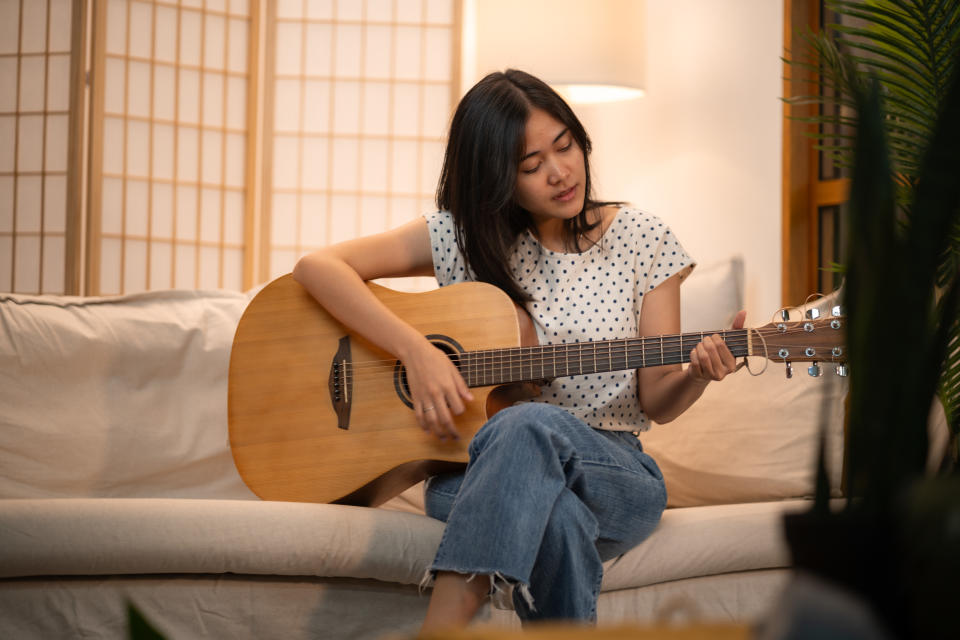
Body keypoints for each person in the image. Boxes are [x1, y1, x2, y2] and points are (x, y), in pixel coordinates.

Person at [292, 69, 744, 631]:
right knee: (556, 517)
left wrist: (698, 374)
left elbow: (657, 401)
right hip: (474, 472)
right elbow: (317, 268)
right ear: (496, 178)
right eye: (531, 166)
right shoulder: (460, 236)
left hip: (614, 471)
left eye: (566, 146)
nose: (560, 172)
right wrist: (415, 350)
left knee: (525, 424)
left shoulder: (642, 240)